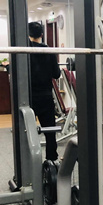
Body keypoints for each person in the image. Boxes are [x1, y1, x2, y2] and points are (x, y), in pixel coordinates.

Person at [28, 21, 61, 161]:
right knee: (50, 132)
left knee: (26, 132)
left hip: (28, 98)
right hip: (45, 97)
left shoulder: (24, 51)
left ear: (28, 35)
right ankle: (52, 160)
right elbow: (56, 74)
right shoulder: (48, 51)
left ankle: (28, 163)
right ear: (42, 34)